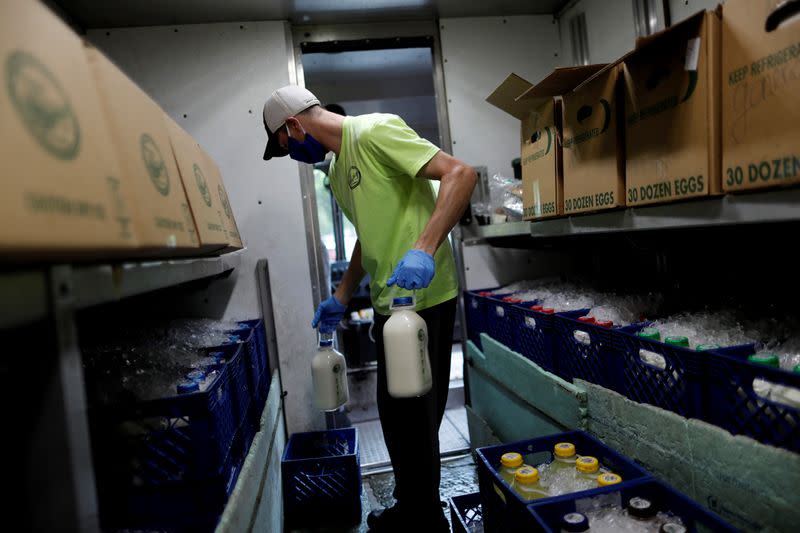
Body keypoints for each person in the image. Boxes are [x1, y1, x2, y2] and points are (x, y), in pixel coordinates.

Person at [262, 85, 477, 532]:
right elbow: (366, 235)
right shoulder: (338, 171)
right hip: (388, 304)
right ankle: (411, 509)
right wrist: (341, 296)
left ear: (294, 125)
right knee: (397, 418)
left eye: (285, 146)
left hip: (425, 300)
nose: (292, 156)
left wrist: (424, 248)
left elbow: (460, 174)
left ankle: (425, 520)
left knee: (417, 419)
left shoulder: (376, 132)